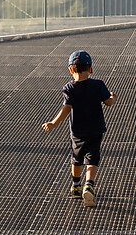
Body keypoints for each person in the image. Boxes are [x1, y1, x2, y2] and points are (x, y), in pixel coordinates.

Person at [42, 50, 117, 207]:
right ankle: (89, 185)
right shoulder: (98, 85)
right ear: (90, 69)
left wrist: (53, 123)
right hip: (96, 130)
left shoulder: (69, 88)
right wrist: (113, 97)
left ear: (70, 69)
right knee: (92, 158)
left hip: (77, 132)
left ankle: (76, 186)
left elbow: (66, 108)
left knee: (76, 158)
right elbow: (108, 103)